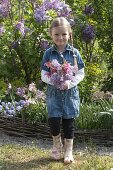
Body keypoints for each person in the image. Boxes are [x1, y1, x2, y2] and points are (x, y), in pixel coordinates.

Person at [41, 17, 85, 164]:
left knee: (68, 123)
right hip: (54, 94)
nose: (60, 38)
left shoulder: (74, 53)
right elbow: (43, 74)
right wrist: (54, 80)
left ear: (69, 34)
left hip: (69, 94)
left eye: (64, 34)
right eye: (57, 35)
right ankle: (56, 145)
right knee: (54, 121)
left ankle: (68, 151)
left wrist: (68, 83)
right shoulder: (48, 53)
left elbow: (80, 73)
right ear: (51, 35)